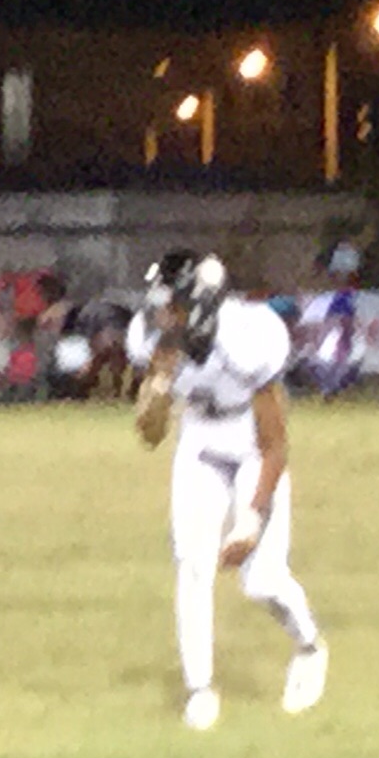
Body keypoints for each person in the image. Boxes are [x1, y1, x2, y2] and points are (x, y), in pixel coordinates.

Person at [128, 250, 328, 732]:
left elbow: (275, 444)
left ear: (199, 305)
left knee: (261, 580)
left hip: (250, 440)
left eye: (172, 304)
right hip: (200, 436)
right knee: (193, 565)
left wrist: (251, 519)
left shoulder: (249, 335)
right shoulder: (156, 339)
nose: (162, 314)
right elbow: (150, 436)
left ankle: (309, 646)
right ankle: (199, 689)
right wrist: (155, 395)